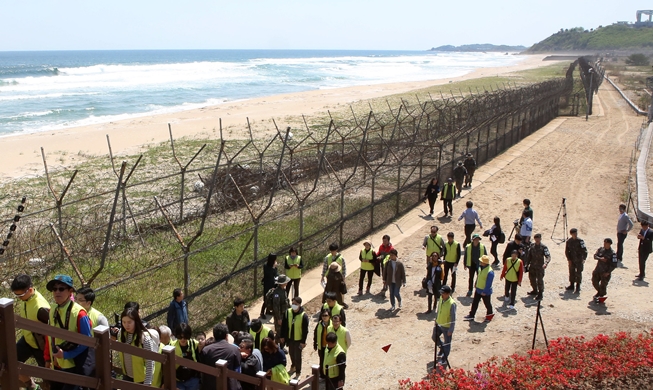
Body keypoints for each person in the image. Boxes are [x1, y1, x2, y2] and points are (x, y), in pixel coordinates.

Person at [44, 275, 93, 390]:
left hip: (73, 365)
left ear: (70, 291)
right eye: (54, 289)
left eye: (61, 289)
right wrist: (48, 358)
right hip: (57, 364)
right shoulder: (52, 310)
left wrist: (66, 355)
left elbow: (87, 342)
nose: (57, 292)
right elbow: (49, 336)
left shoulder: (80, 314)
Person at [11, 274, 50, 390]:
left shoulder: (41, 308)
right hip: (28, 340)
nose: (19, 298)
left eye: (21, 295)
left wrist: (48, 356)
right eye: (16, 295)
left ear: (30, 290)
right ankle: (31, 386)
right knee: (10, 362)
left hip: (41, 345)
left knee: (49, 378)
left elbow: (51, 332)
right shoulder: (26, 299)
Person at [118, 307, 155, 385]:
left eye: (129, 322)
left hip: (141, 380)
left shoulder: (145, 338)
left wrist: (147, 383)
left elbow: (150, 362)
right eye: (123, 322)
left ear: (136, 321)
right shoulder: (121, 334)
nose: (126, 325)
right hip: (126, 377)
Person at [200, 323, 242, 390]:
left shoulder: (206, 350)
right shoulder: (235, 350)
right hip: (229, 386)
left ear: (214, 336)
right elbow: (237, 369)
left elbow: (202, 369)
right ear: (226, 336)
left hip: (210, 386)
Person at [280, 296, 309, 378]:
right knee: (291, 353)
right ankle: (293, 367)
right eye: (292, 304)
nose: (293, 305)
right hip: (290, 338)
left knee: (298, 356)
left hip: (298, 339)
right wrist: (282, 336)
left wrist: (303, 342)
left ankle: (298, 372)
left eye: (295, 304)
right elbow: (284, 326)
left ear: (299, 305)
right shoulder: (288, 312)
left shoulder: (304, 316)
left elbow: (305, 331)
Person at [463, 255, 495, 323]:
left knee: (487, 304)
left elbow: (489, 283)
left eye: (481, 261)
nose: (480, 262)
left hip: (485, 291)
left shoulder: (490, 272)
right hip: (478, 289)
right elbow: (479, 276)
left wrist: (485, 291)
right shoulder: (480, 267)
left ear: (485, 263)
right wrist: (476, 283)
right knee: (475, 303)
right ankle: (471, 315)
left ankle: (489, 316)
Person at [432, 285, 456, 364]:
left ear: (448, 293)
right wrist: (436, 319)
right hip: (439, 324)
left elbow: (453, 318)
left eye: (443, 293)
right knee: (434, 337)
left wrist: (451, 329)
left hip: (446, 327)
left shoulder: (452, 304)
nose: (442, 295)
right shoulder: (441, 299)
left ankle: (444, 358)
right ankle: (442, 348)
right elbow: (439, 310)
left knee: (447, 343)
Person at [174, 323, 201, 390]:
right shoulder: (172, 346)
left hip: (192, 380)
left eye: (185, 337)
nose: (183, 339)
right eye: (180, 337)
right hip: (178, 381)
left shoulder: (194, 343)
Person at [266, 275, 290, 347]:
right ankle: (277, 346)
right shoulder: (277, 293)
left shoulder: (283, 291)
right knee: (279, 332)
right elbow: (276, 307)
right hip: (279, 316)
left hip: (284, 314)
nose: (287, 283)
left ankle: (281, 346)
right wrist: (279, 318)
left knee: (283, 331)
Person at [525, 233, 551, 301]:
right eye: (536, 239)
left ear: (540, 239)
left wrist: (545, 263)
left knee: (539, 280)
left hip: (540, 267)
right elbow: (529, 256)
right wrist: (527, 264)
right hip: (532, 266)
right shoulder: (532, 246)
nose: (537, 240)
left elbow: (548, 256)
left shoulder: (543, 247)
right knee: (532, 278)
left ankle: (540, 293)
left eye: (538, 239)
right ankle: (534, 290)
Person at [565, 228, 588, 293]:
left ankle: (578, 286)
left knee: (578, 273)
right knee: (571, 272)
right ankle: (572, 285)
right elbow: (567, 251)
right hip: (572, 259)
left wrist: (584, 259)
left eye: (576, 233)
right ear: (571, 234)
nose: (575, 235)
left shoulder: (580, 241)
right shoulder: (569, 241)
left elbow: (585, 250)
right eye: (574, 233)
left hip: (579, 259)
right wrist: (569, 259)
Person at [313, 308, 332, 379]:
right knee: (322, 361)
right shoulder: (319, 324)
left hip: (330, 348)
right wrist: (315, 343)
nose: (324, 317)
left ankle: (329, 375)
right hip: (322, 347)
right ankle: (322, 375)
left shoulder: (332, 325)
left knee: (329, 362)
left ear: (329, 316)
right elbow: (315, 334)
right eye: (323, 315)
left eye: (326, 315)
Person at [260, 253, 278, 318]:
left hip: (273, 283)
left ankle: (268, 310)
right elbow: (269, 274)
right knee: (266, 298)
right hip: (267, 284)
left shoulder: (274, 266)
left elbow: (276, 274)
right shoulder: (266, 266)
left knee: (272, 298)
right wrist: (273, 267)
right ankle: (262, 312)